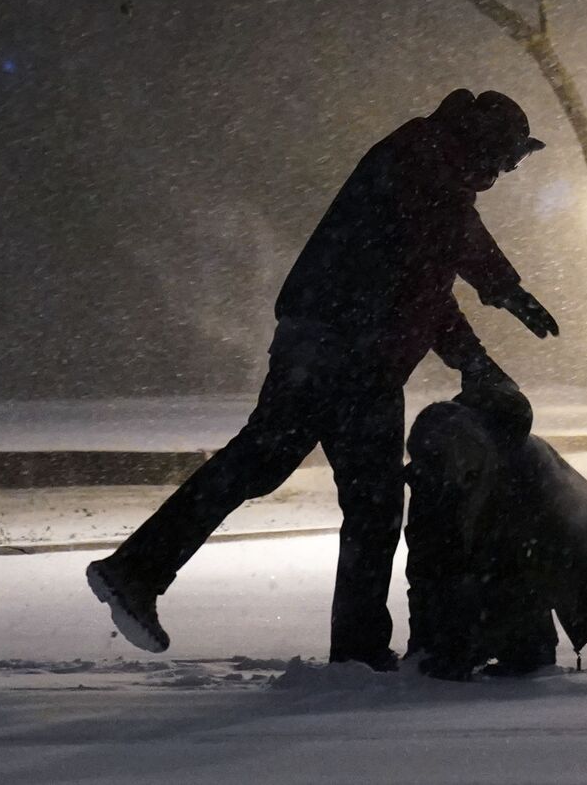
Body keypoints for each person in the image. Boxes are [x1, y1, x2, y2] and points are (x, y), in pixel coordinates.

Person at [86, 89, 560, 669]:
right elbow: (440, 256)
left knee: (340, 494)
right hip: (342, 352)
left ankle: (347, 647)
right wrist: (499, 300)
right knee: (309, 483)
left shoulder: (432, 166)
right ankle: (139, 573)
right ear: (486, 144)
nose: (504, 173)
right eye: (508, 159)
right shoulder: (423, 161)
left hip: (345, 352)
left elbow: (426, 287)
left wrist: (480, 345)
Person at [402, 387, 587, 681]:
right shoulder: (432, 480)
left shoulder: (524, 475)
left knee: (507, 589)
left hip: (568, 559)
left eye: (461, 463)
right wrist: (424, 643)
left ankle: (526, 649)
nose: (455, 474)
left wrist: (471, 639)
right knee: (464, 585)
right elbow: (424, 566)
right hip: (525, 561)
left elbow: (529, 566)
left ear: (475, 446)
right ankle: (493, 644)